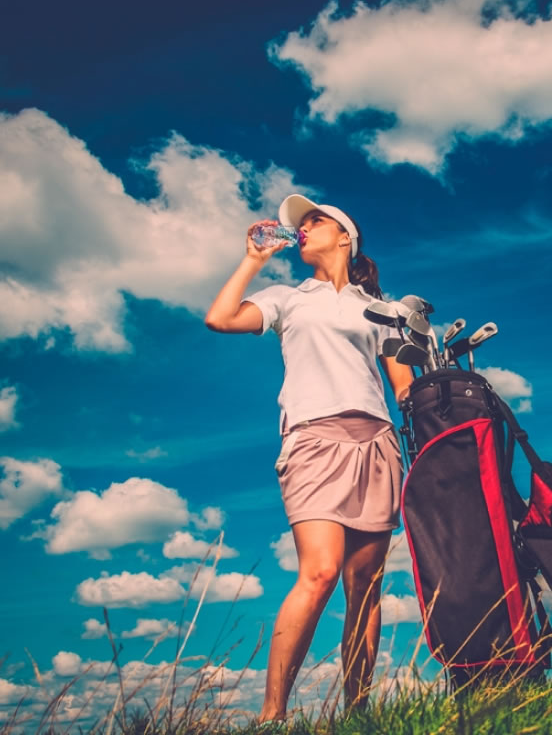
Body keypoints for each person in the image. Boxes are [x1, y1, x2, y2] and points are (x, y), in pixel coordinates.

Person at [204, 194, 414, 722]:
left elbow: (403, 388)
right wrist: (254, 259)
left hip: (378, 445)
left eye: (315, 220)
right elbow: (220, 318)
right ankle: (272, 716)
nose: (303, 227)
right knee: (319, 572)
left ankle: (359, 714)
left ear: (345, 237)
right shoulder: (286, 297)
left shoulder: (384, 310)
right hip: (313, 441)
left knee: (364, 589)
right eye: (301, 223)